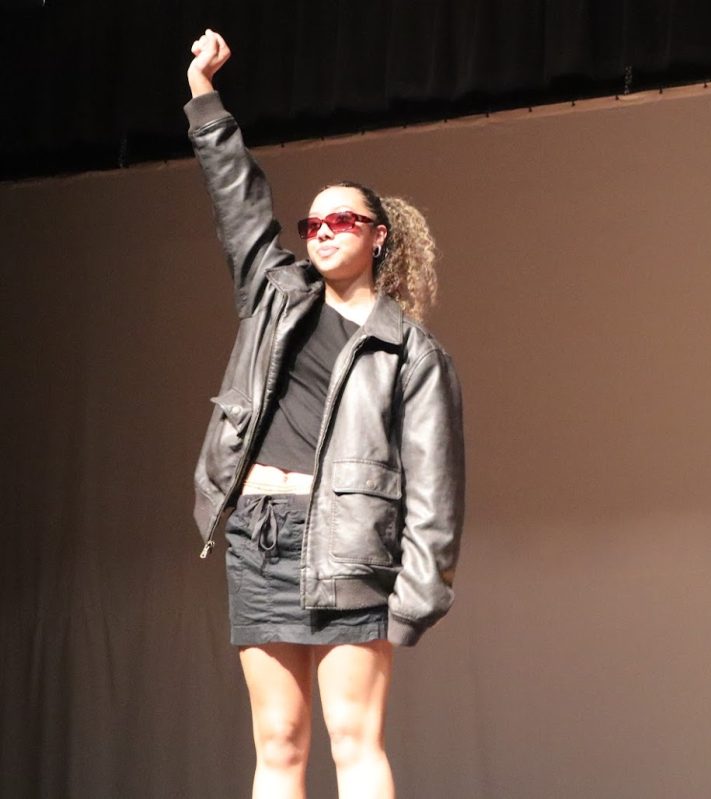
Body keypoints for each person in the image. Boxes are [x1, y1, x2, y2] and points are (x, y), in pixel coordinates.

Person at [185, 30, 465, 799]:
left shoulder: (411, 350)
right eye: (311, 224)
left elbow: (437, 496)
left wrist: (412, 601)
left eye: (341, 219)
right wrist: (204, 95)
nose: (322, 231)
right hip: (258, 532)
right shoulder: (275, 294)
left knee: (352, 737)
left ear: (379, 235)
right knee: (278, 740)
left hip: (346, 543)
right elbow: (237, 198)